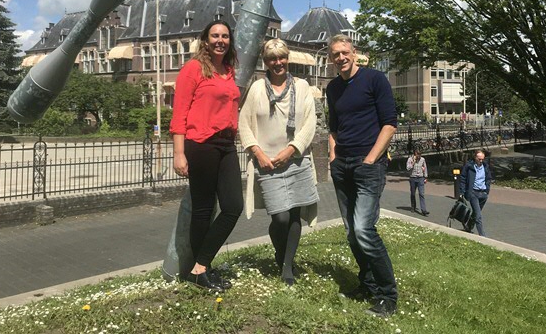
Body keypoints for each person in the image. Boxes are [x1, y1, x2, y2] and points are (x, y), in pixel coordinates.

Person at [326, 34, 398, 318]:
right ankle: (367, 285)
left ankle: (387, 296)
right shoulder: (333, 88)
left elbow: (389, 125)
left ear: (354, 53)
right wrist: (333, 156)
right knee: (351, 233)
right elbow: (334, 126)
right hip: (342, 165)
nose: (341, 58)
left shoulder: (375, 80)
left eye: (345, 52)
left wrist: (370, 160)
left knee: (364, 231)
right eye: (335, 55)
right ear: (331, 59)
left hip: (368, 165)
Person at [169, 20, 243, 290]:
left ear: (230, 41)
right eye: (215, 36)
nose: (220, 40)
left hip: (226, 145)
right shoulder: (193, 69)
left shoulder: (230, 71)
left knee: (234, 206)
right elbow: (179, 114)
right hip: (200, 144)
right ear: (205, 40)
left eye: (225, 36)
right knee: (203, 209)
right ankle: (200, 270)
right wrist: (179, 153)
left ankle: (200, 265)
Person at [239, 39, 319, 286]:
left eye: (281, 57)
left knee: (295, 215)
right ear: (266, 62)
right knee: (280, 218)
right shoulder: (256, 89)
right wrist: (257, 152)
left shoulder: (303, 87)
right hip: (267, 163)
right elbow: (243, 123)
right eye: (272, 59)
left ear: (288, 59)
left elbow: (310, 122)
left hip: (296, 161)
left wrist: (293, 148)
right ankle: (280, 252)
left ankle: (287, 266)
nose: (278, 62)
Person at [459, 149, 492, 237]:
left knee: (475, 213)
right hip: (473, 193)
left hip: (483, 194)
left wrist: (487, 190)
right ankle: (482, 235)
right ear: (475, 157)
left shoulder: (485, 166)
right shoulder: (469, 166)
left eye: (482, 159)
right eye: (479, 159)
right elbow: (462, 179)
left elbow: (488, 178)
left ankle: (468, 226)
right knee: (478, 215)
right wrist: (462, 192)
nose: (481, 161)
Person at [406, 149, 429, 216]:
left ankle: (423, 210)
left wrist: (425, 177)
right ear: (415, 154)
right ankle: (413, 206)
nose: (419, 156)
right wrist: (413, 163)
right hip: (413, 178)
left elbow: (425, 168)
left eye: (420, 154)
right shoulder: (410, 159)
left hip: (420, 178)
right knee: (413, 193)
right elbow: (408, 168)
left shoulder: (422, 159)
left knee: (421, 194)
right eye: (417, 154)